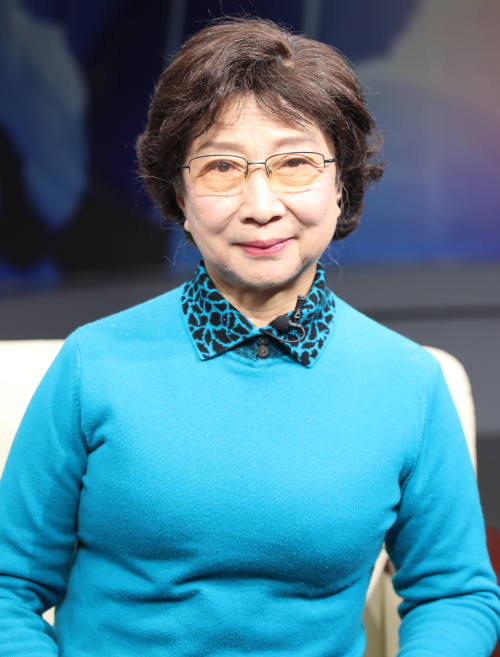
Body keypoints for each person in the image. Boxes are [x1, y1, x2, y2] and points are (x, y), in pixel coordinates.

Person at [0, 17, 499, 657]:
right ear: (179, 194)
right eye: (222, 167)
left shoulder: (409, 383)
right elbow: (8, 588)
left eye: (295, 163)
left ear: (341, 184)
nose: (260, 205)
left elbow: (455, 594)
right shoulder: (92, 364)